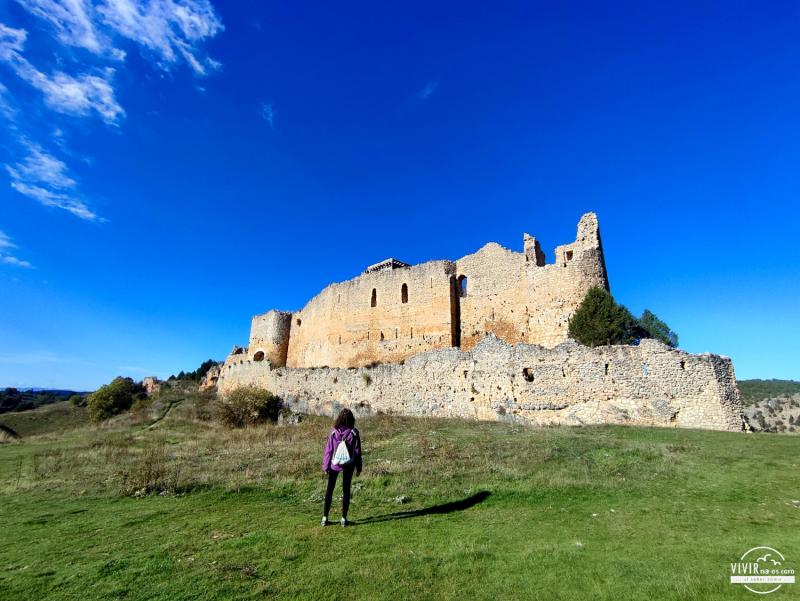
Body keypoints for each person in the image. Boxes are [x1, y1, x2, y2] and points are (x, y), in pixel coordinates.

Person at [321, 408, 362, 527]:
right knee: (346, 491)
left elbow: (328, 450)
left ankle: (325, 518)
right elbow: (357, 451)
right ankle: (343, 518)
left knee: (329, 490)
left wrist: (325, 466)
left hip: (334, 464)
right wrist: (359, 467)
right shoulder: (354, 432)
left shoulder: (334, 432)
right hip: (349, 465)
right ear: (351, 419)